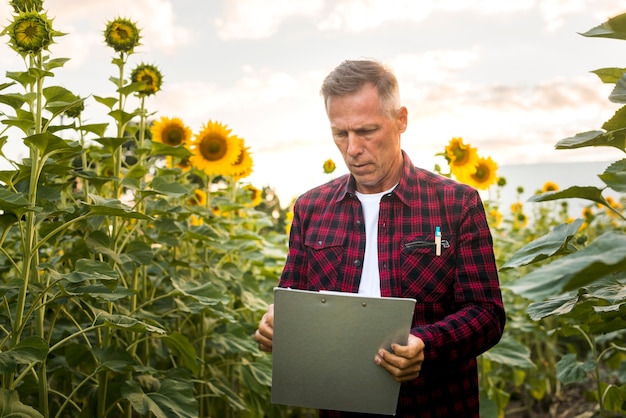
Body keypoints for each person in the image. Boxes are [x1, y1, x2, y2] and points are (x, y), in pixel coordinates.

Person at [255, 59, 505, 417]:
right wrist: (278, 323)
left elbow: (487, 314)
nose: (353, 149)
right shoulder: (311, 208)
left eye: (366, 131)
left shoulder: (455, 203)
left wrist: (425, 345)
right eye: (340, 134)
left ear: (401, 120)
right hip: (340, 407)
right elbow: (294, 298)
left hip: (434, 405)